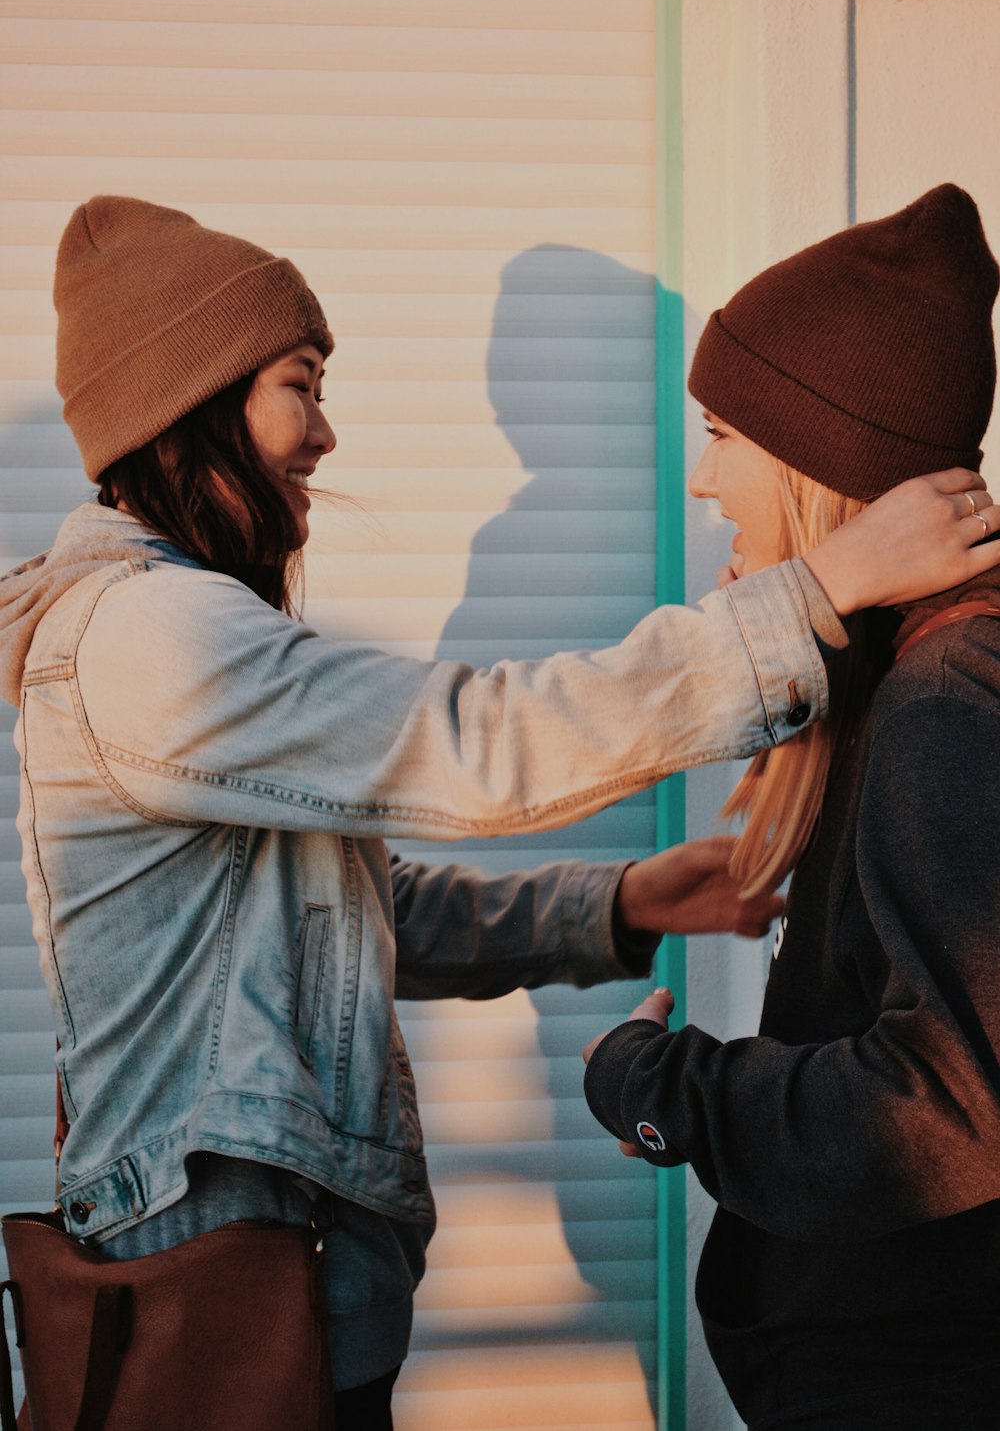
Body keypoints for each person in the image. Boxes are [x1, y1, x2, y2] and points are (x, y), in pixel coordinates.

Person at [0, 197, 996, 1431]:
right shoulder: (152, 639)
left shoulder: (188, 630)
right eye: (297, 385)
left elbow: (350, 918)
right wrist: (816, 592)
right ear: (187, 402)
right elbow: (475, 743)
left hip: (266, 1270)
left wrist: (618, 906)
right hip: (219, 1278)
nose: (323, 431)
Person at [583, 183, 1000, 1429]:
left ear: (826, 459)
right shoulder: (902, 682)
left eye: (725, 432)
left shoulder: (948, 696)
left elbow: (947, 1106)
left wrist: (672, 1092)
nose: (705, 479)